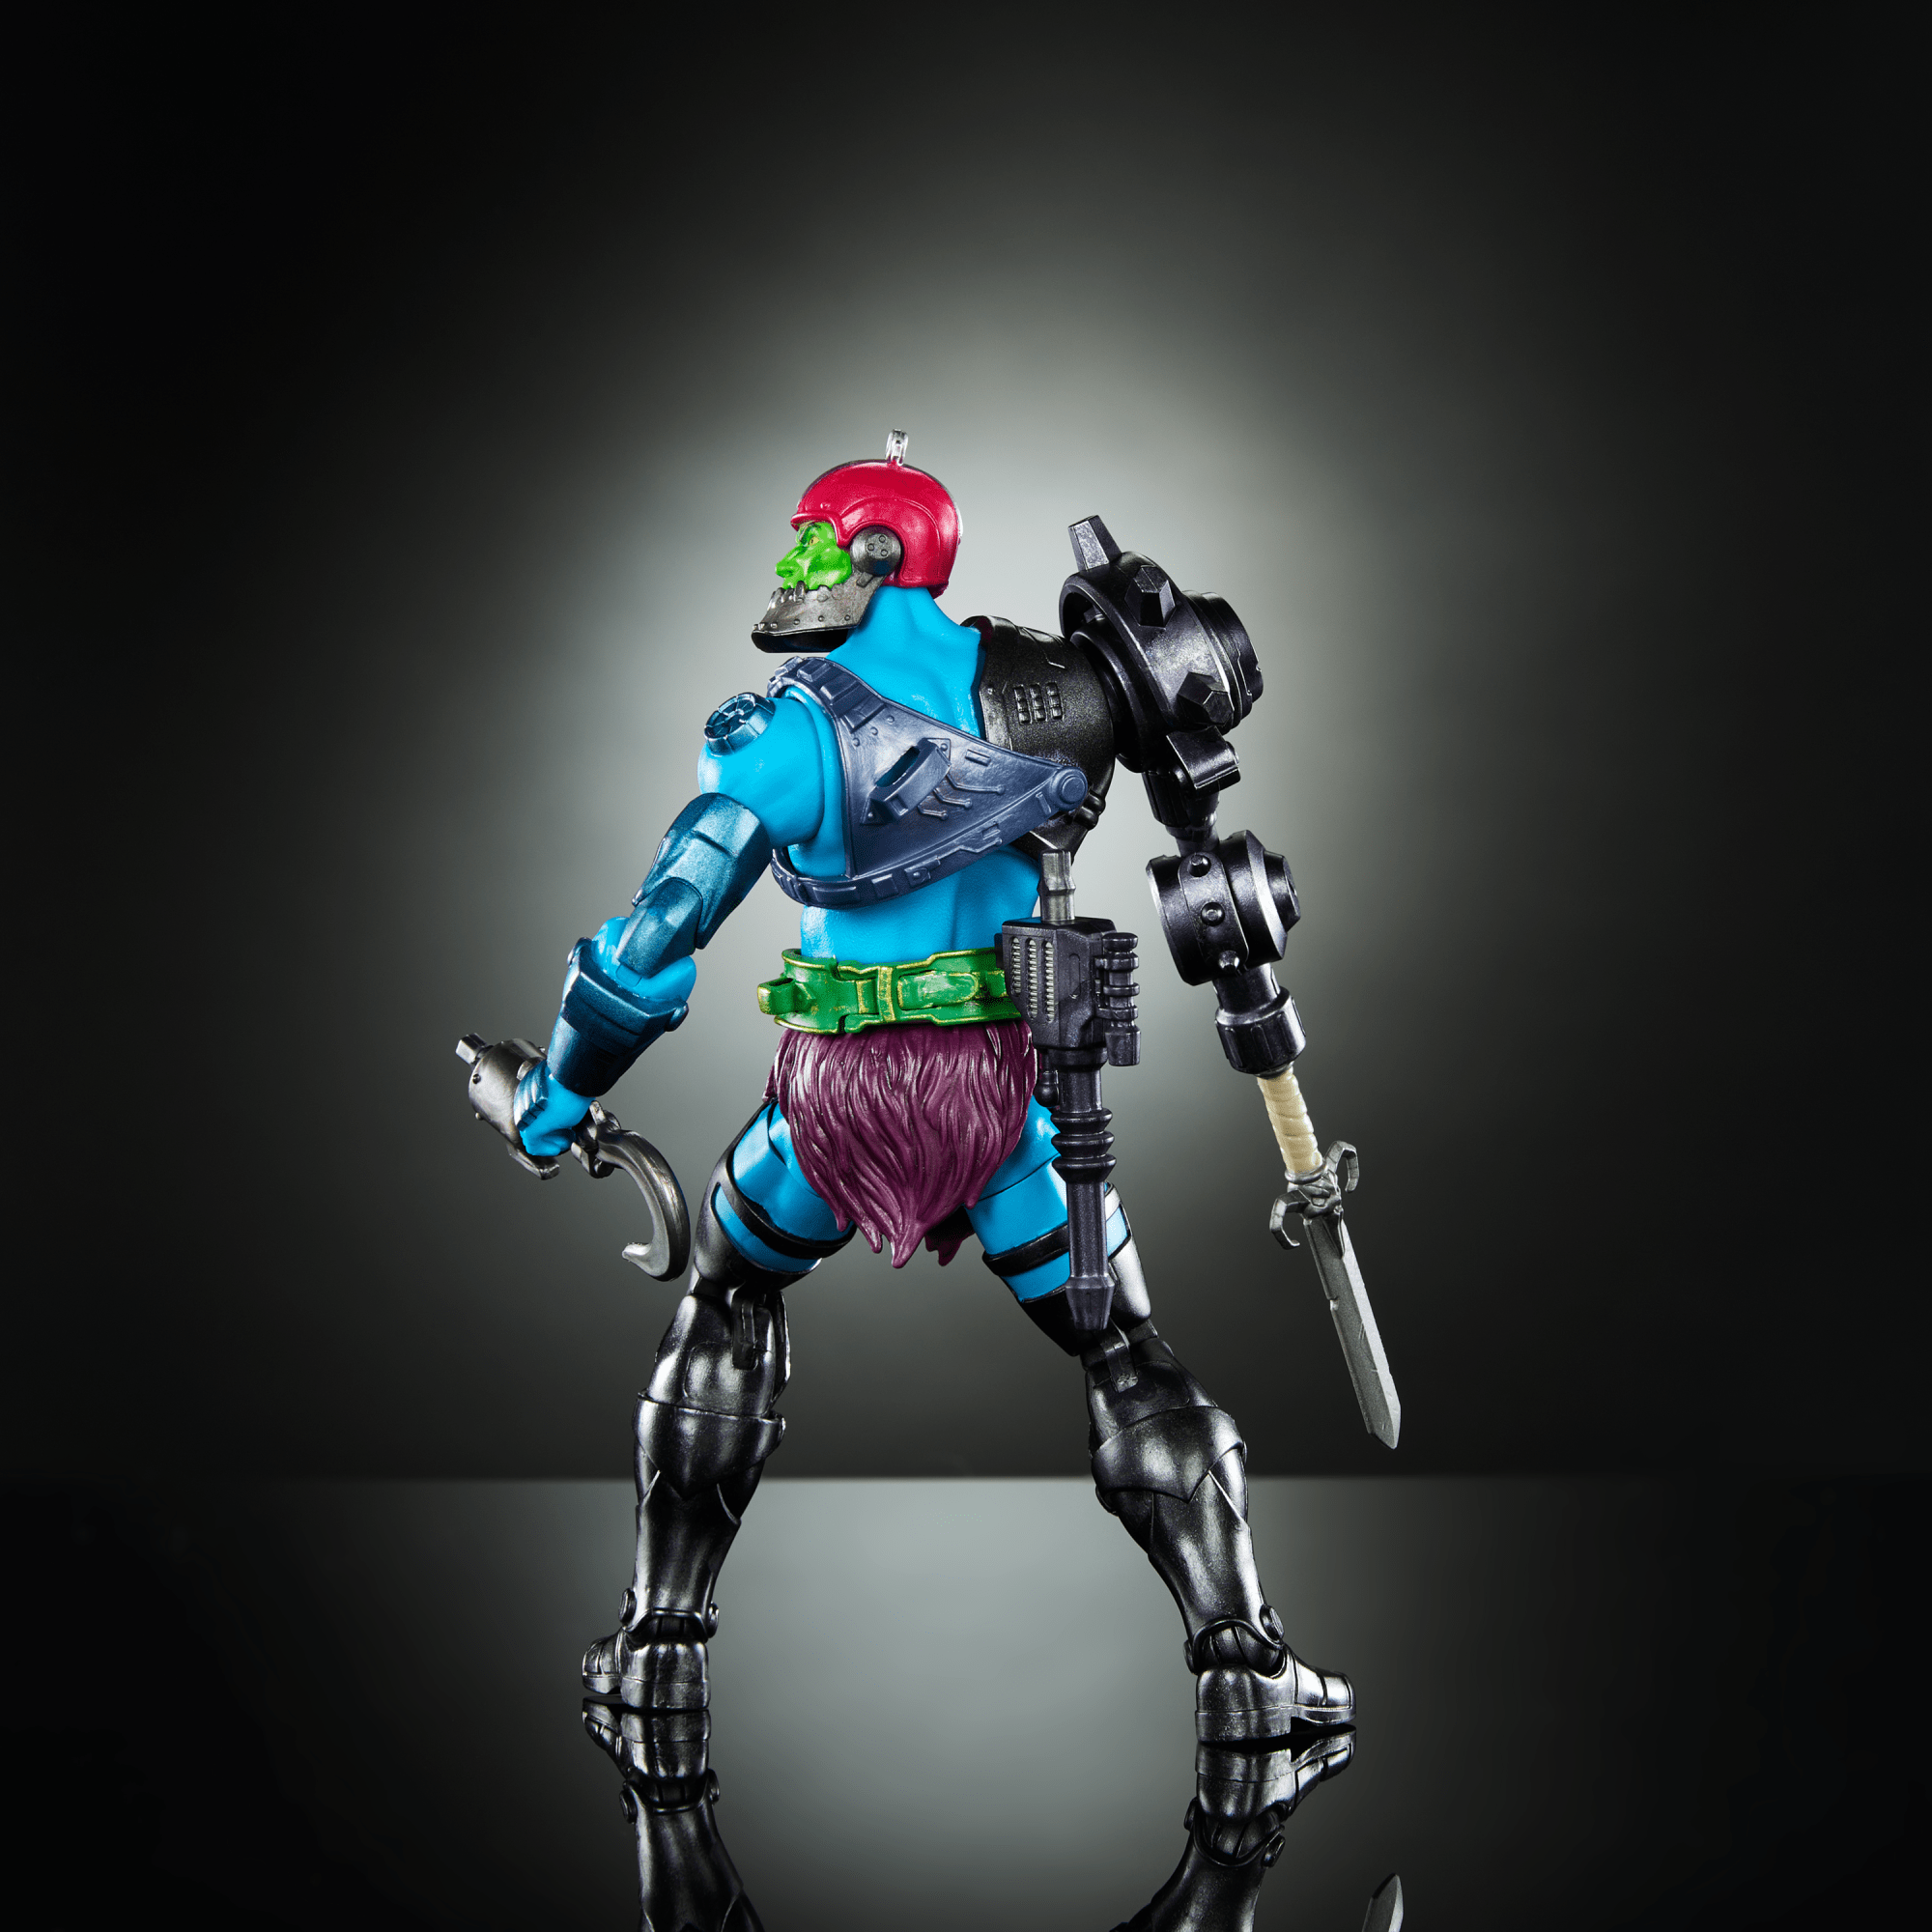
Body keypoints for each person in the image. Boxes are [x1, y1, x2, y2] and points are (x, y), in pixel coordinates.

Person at [507, 435, 1353, 1745]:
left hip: (832, 1111)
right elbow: (1195, 807)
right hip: (1005, 1110)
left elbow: (658, 933)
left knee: (728, 1296)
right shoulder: (1062, 689)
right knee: (1124, 1352)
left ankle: (660, 1650)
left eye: (812, 536)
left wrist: (558, 1095)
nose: (793, 561)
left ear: (875, 551)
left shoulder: (789, 734)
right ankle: (1245, 1671)